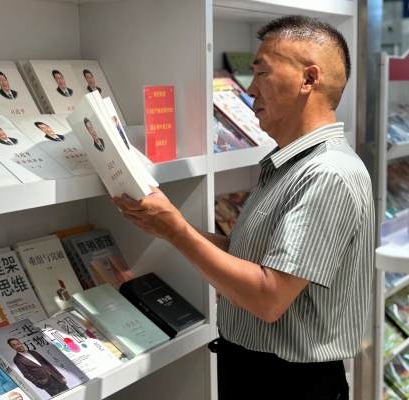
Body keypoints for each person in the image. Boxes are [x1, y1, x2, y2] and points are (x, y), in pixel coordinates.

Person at [111, 15, 374, 400]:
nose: (250, 89)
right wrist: (167, 225)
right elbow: (247, 257)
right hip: (259, 373)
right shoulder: (291, 164)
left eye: (262, 72)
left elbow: (268, 298)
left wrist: (176, 231)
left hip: (288, 385)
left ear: (309, 79)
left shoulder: (326, 173)